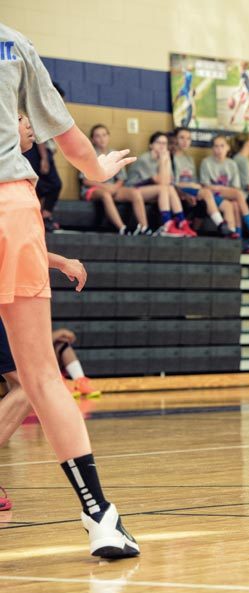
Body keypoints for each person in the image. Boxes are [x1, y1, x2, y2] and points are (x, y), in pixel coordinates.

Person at [0, 23, 139, 556]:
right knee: (40, 377)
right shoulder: (13, 42)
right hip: (11, 206)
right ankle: (100, 518)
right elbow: (67, 133)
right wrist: (97, 169)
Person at [199, 134, 249, 249]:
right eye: (216, 146)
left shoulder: (231, 164)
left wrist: (222, 189)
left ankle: (237, 236)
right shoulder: (206, 162)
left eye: (222, 146)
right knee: (237, 195)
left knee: (236, 203)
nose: (218, 149)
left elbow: (236, 187)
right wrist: (223, 189)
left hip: (226, 193)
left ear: (228, 148)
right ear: (212, 149)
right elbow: (206, 186)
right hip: (212, 194)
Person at [82, 125, 152, 235]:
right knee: (106, 194)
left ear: (108, 136)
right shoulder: (89, 154)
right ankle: (122, 228)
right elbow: (86, 180)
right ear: (92, 139)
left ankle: (144, 227)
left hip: (113, 188)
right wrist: (107, 187)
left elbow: (121, 178)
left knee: (135, 192)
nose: (102, 138)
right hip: (95, 189)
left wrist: (115, 187)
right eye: (97, 136)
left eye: (104, 135)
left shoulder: (114, 153)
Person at [126, 131, 197, 237]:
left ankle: (182, 222)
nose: (162, 146)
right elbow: (161, 181)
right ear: (151, 145)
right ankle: (167, 225)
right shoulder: (145, 159)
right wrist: (164, 160)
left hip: (150, 190)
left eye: (164, 144)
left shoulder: (164, 158)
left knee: (169, 188)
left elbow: (168, 181)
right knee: (164, 188)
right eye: (158, 143)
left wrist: (165, 160)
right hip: (132, 190)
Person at [171, 127, 238, 238]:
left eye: (188, 138)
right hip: (178, 190)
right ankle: (221, 224)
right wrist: (190, 188)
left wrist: (194, 188)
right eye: (181, 138)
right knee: (206, 193)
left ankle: (231, 233)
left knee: (227, 205)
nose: (185, 141)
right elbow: (172, 183)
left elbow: (194, 182)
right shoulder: (171, 158)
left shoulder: (189, 159)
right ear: (175, 139)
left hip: (194, 190)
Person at [22, 81, 65, 231]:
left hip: (44, 151)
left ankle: (44, 216)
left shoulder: (51, 112)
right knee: (39, 184)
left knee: (54, 185)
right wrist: (44, 158)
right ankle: (38, 218)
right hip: (36, 151)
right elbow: (37, 135)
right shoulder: (35, 107)